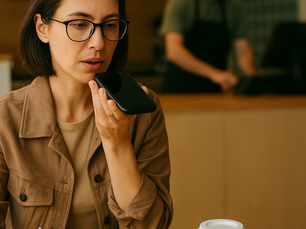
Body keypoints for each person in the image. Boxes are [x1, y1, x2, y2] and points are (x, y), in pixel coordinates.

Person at [0, 0, 173, 228]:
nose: (99, 43)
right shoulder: (6, 117)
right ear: (43, 28)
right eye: (80, 24)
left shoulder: (143, 111)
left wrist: (117, 141)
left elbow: (153, 224)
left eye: (110, 25)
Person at [159, 0, 256, 93]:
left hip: (215, 89)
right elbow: (174, 51)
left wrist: (252, 80)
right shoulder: (180, 3)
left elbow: (243, 51)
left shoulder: (234, 6)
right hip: (181, 87)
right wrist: (214, 73)